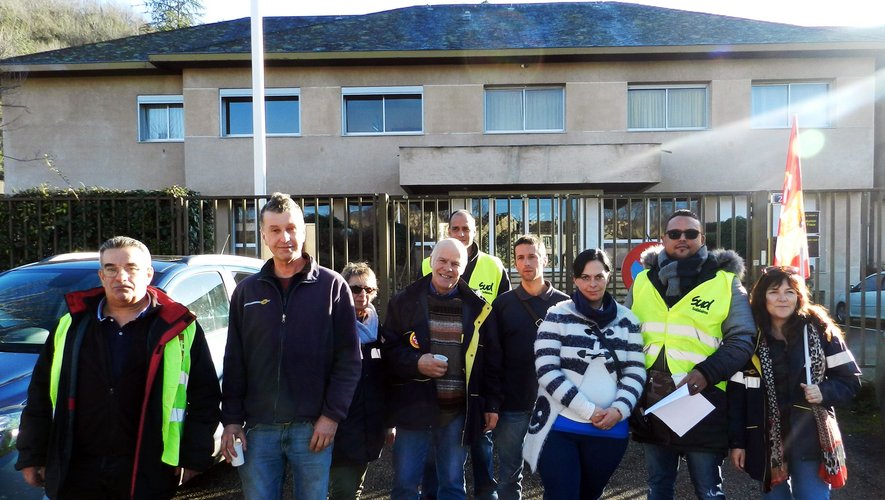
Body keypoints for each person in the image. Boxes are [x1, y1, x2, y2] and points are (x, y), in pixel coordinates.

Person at [15, 236, 221, 499]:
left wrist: (193, 456)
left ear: (148, 274)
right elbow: (40, 394)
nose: (120, 276)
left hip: (146, 468)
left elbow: (205, 397)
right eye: (111, 268)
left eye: (131, 268)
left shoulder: (179, 328)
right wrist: (32, 454)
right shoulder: (71, 325)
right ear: (101, 276)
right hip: (76, 469)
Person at [220, 192, 361, 500]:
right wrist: (231, 421)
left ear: (303, 229)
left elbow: (349, 359)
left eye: (292, 228)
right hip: (258, 430)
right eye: (275, 230)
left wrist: (331, 416)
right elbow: (234, 360)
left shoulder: (332, 286)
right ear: (263, 235)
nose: (285, 237)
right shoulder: (246, 292)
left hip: (312, 429)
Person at [626, 209, 756, 500]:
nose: (682, 239)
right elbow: (626, 335)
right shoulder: (644, 281)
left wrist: (706, 373)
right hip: (653, 400)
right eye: (674, 234)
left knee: (708, 490)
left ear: (703, 238)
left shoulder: (725, 282)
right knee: (658, 487)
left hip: (702, 400)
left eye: (690, 233)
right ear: (663, 238)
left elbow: (743, 339)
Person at [383, 237, 502, 500]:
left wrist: (492, 404)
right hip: (413, 410)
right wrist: (417, 363)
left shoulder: (478, 307)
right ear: (430, 262)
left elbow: (491, 361)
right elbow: (389, 350)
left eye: (455, 263)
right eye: (442, 261)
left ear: (463, 268)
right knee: (405, 485)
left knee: (452, 485)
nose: (448, 268)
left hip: (456, 411)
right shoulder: (404, 301)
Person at [522, 248, 646, 499]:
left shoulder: (628, 320)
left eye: (598, 276)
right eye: (585, 277)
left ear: (608, 277)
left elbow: (635, 371)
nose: (592, 284)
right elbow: (546, 369)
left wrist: (619, 410)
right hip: (558, 426)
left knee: (590, 495)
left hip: (610, 428)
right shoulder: (557, 315)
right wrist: (588, 410)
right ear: (575, 280)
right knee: (562, 495)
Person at [728, 266, 861, 498]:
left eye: (790, 292)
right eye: (774, 291)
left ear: (799, 296)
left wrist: (824, 391)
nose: (782, 298)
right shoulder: (749, 337)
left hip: (810, 438)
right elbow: (737, 396)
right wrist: (738, 442)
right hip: (765, 439)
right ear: (762, 297)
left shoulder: (822, 331)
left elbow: (850, 380)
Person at [420, 209, 511, 499]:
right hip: (444, 365)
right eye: (455, 228)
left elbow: (504, 310)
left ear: (476, 231)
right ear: (448, 230)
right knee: (439, 443)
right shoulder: (428, 262)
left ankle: (486, 492)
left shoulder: (493, 265)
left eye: (466, 228)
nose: (461, 233)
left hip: (481, 363)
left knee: (482, 440)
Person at [488, 235, 569, 499]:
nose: (526, 263)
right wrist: (493, 402)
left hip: (554, 404)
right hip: (512, 403)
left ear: (545, 259)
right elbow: (492, 356)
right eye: (521, 257)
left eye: (532, 256)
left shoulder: (565, 304)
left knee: (556, 472)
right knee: (509, 474)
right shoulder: (502, 305)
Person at [328, 262, 395, 500]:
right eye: (355, 289)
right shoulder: (332, 326)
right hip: (340, 426)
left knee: (355, 487)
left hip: (369, 427)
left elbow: (386, 381)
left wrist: (389, 423)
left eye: (368, 289)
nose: (362, 295)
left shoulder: (380, 330)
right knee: (343, 491)